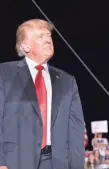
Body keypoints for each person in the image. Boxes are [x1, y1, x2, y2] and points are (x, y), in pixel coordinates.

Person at [0, 19, 85, 169]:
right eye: (40, 37)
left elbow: (76, 131)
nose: (47, 40)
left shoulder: (67, 81)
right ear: (25, 45)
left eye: (48, 35)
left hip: (56, 163)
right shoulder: (4, 74)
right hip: (15, 161)